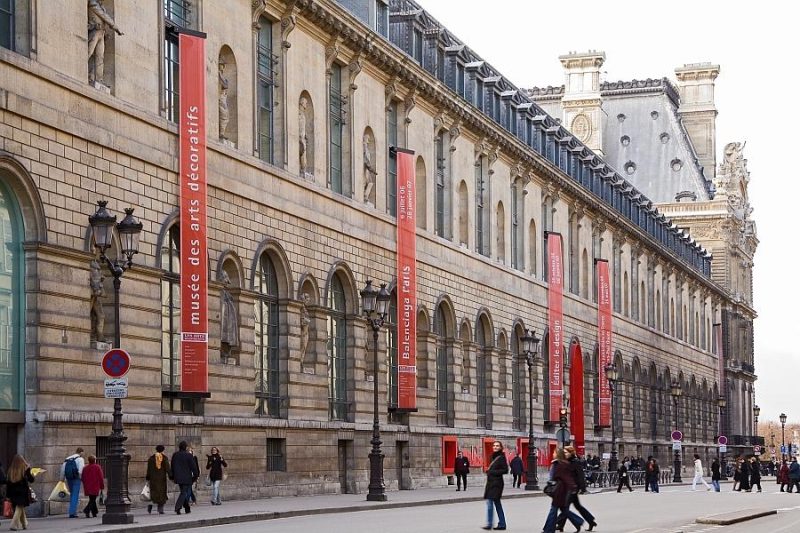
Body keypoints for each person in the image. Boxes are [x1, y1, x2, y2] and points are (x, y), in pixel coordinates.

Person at [542, 448, 584, 533]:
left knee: (553, 510)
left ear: (558, 454)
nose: (553, 454)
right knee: (564, 510)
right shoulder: (562, 463)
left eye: (554, 452)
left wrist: (572, 488)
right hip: (562, 490)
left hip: (560, 491)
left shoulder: (560, 464)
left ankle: (548, 530)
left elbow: (565, 478)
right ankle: (578, 521)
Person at [556, 446, 597, 532]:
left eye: (566, 452)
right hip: (569, 487)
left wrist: (582, 488)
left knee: (565, 507)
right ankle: (590, 521)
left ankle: (560, 523)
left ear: (571, 453)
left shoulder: (575, 462)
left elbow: (580, 475)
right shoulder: (567, 461)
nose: (564, 454)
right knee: (578, 506)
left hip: (573, 488)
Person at [87, 0, 123, 85]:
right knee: (89, 52)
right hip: (95, 32)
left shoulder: (100, 6)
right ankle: (83, 72)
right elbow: (104, 16)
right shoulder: (93, 4)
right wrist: (116, 27)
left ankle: (98, 79)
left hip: (101, 33)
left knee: (100, 57)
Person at [482, 441, 508, 531]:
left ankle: (490, 524)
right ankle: (502, 523)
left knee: (490, 502)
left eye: (497, 446)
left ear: (501, 447)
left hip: (497, 484)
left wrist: (492, 472)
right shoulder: (493, 457)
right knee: (497, 503)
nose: (495, 447)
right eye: (494, 445)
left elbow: (505, 470)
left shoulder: (501, 457)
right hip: (491, 483)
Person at [6, 454, 35, 531]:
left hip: (13, 493)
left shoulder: (10, 470)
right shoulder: (24, 470)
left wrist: (8, 495)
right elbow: (31, 480)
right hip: (22, 492)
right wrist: (29, 470)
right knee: (19, 508)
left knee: (20, 507)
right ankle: (13, 524)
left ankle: (24, 524)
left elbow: (8, 484)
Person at [171, 441, 199, 515]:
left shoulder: (175, 455)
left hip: (178, 477)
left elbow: (172, 466)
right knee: (184, 493)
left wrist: (172, 476)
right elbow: (193, 467)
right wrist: (195, 476)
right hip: (187, 477)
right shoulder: (189, 455)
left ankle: (187, 508)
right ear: (186, 447)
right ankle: (178, 507)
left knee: (183, 492)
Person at [146, 445, 171, 514]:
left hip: (153, 479)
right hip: (161, 479)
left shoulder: (151, 458)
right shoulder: (164, 458)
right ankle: (160, 509)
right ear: (163, 450)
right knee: (161, 493)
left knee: (153, 493)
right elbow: (168, 468)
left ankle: (150, 505)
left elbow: (149, 469)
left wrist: (148, 477)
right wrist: (171, 476)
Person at [62, 447, 86, 518]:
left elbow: (63, 469)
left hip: (69, 478)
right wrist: (81, 478)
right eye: (83, 452)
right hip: (76, 478)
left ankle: (72, 511)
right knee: (75, 495)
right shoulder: (80, 459)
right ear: (81, 452)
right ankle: (72, 513)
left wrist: (62, 479)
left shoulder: (68, 458)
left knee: (72, 494)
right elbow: (81, 470)